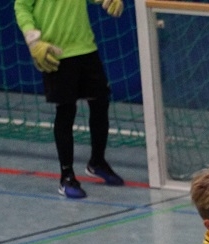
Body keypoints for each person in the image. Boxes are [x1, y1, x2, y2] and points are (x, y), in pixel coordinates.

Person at [15, 0, 126, 199]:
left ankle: (97, 162)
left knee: (100, 102)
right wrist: (33, 42)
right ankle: (66, 176)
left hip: (85, 47)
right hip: (56, 51)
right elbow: (21, 6)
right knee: (66, 111)